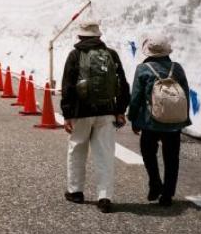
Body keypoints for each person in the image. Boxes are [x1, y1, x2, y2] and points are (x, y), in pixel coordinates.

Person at [60, 20, 130, 213]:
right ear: (99, 36)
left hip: (81, 113)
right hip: (106, 112)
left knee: (77, 150)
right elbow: (123, 84)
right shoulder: (111, 54)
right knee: (105, 154)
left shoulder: (75, 55)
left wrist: (67, 114)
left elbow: (68, 86)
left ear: (80, 36)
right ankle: (105, 196)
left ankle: (75, 191)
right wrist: (120, 110)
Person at [128, 33, 191, 207]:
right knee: (172, 158)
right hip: (174, 123)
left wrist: (133, 118)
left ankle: (155, 182)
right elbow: (184, 94)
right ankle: (168, 195)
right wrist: (183, 118)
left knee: (148, 152)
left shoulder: (143, 69)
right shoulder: (177, 68)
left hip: (151, 122)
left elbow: (136, 97)